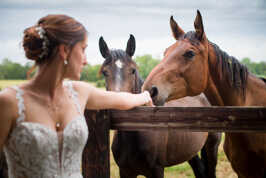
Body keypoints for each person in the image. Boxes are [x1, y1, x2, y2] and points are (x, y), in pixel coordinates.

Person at [0, 14, 153, 178]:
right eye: (83, 49)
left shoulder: (80, 92)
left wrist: (145, 95)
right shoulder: (8, 102)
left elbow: (123, 99)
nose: (86, 61)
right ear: (64, 51)